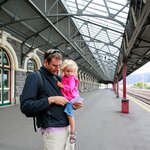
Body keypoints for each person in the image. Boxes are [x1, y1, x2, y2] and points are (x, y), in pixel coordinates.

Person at [20, 49, 83, 150]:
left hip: (67, 129)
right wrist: (51, 100)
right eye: (54, 65)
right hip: (53, 133)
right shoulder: (35, 77)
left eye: (59, 66)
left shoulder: (58, 79)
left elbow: (65, 99)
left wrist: (74, 105)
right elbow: (25, 106)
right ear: (45, 62)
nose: (57, 68)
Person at [57, 59, 83, 144]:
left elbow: (71, 88)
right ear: (63, 70)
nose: (70, 73)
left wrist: (62, 86)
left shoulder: (71, 78)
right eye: (68, 71)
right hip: (68, 97)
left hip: (71, 98)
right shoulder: (64, 77)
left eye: (72, 71)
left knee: (69, 114)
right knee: (68, 113)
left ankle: (72, 132)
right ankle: (71, 130)